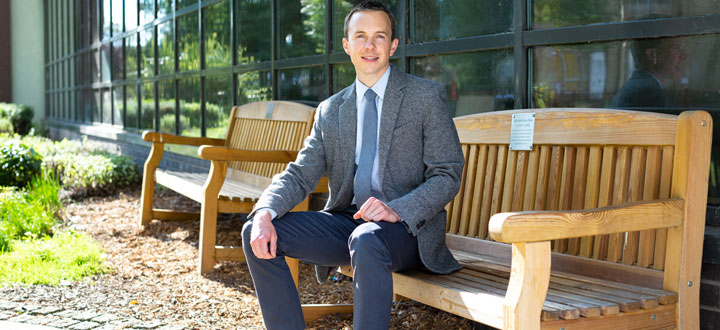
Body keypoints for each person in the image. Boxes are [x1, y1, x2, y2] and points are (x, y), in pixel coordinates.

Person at [240, 1, 464, 329]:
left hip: (407, 229)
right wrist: (264, 212)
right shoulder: (331, 110)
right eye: (360, 36)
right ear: (347, 45)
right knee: (255, 232)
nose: (370, 45)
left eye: (379, 36)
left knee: (368, 239)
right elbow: (301, 173)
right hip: (349, 221)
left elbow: (448, 173)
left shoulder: (425, 97)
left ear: (393, 45)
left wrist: (397, 209)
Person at [611, 36, 688, 108]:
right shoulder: (649, 92)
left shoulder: (640, 85)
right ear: (652, 54)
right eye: (676, 48)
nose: (684, 56)